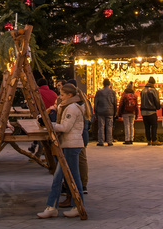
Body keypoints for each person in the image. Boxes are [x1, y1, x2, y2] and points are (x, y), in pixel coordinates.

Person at [36, 83, 89, 219]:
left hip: (72, 145)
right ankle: (53, 207)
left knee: (72, 177)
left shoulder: (72, 108)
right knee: (59, 177)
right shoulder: (68, 106)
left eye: (62, 95)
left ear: (70, 95)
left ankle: (77, 206)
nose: (60, 97)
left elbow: (65, 127)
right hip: (68, 144)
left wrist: (50, 125)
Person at [93, 79, 116, 147]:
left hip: (101, 111)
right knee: (109, 126)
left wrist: (96, 111)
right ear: (109, 84)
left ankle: (101, 141)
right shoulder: (112, 92)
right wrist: (115, 111)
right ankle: (109, 141)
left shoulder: (99, 92)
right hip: (110, 111)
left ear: (103, 84)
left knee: (101, 127)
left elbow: (96, 102)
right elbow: (114, 102)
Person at [140, 76, 161, 146]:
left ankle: (148, 140)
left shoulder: (143, 90)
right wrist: (158, 107)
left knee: (147, 127)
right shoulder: (153, 90)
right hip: (151, 111)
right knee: (154, 126)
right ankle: (154, 140)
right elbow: (156, 100)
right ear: (153, 83)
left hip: (143, 111)